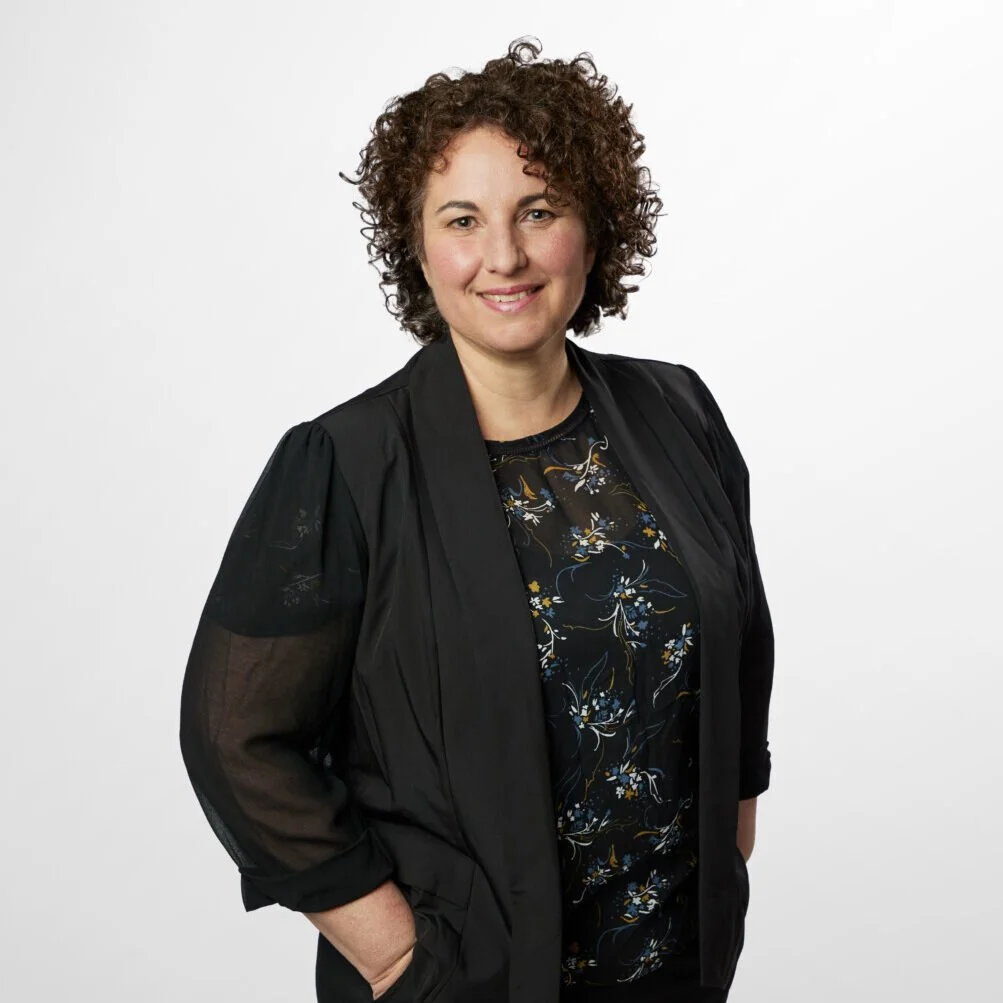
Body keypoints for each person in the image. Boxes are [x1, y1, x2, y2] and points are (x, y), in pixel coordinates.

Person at [179, 37, 774, 1003]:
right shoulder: (344, 464)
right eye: (463, 219)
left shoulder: (680, 414)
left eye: (538, 211)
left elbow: (742, 639)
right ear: (416, 244)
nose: (504, 255)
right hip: (469, 981)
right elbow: (235, 734)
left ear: (593, 227)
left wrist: (729, 844)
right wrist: (392, 954)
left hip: (676, 968)